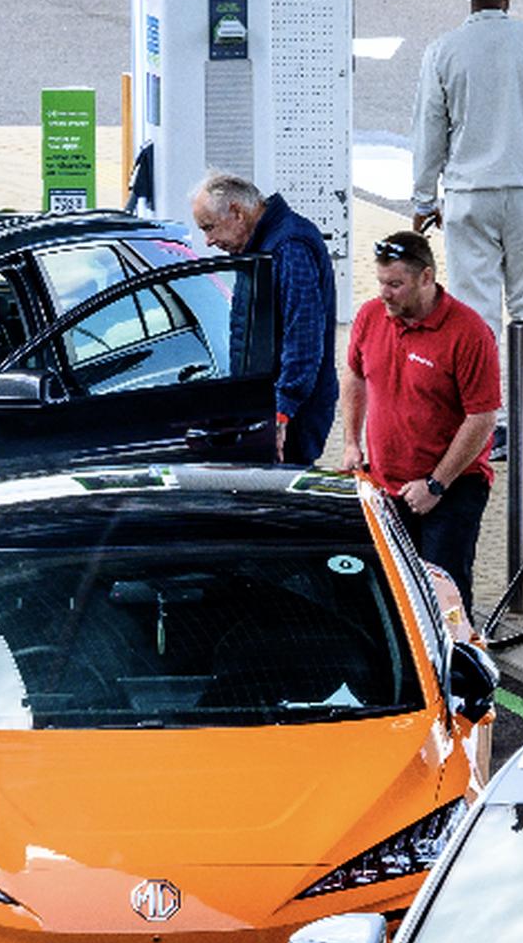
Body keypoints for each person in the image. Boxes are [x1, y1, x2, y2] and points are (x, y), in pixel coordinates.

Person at [408, 0, 523, 458]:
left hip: (467, 196)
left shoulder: (443, 50)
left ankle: (493, 423)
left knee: (477, 313)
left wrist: (422, 199)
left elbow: (429, 130)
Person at [343, 231, 499, 617]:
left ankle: (454, 667)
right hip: (386, 484)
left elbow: (481, 417)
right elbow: (354, 376)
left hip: (451, 488)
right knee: (390, 595)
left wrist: (436, 483)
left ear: (426, 277)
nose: (385, 293)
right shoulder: (370, 317)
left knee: (442, 595)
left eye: (395, 284)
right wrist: (351, 442)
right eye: (381, 282)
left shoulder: (469, 333)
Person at [191, 171, 338, 465]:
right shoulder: (260, 247)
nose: (207, 241)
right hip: (266, 405)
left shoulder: (289, 247)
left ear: (236, 213)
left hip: (289, 415)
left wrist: (282, 410)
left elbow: (304, 337)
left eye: (210, 228)